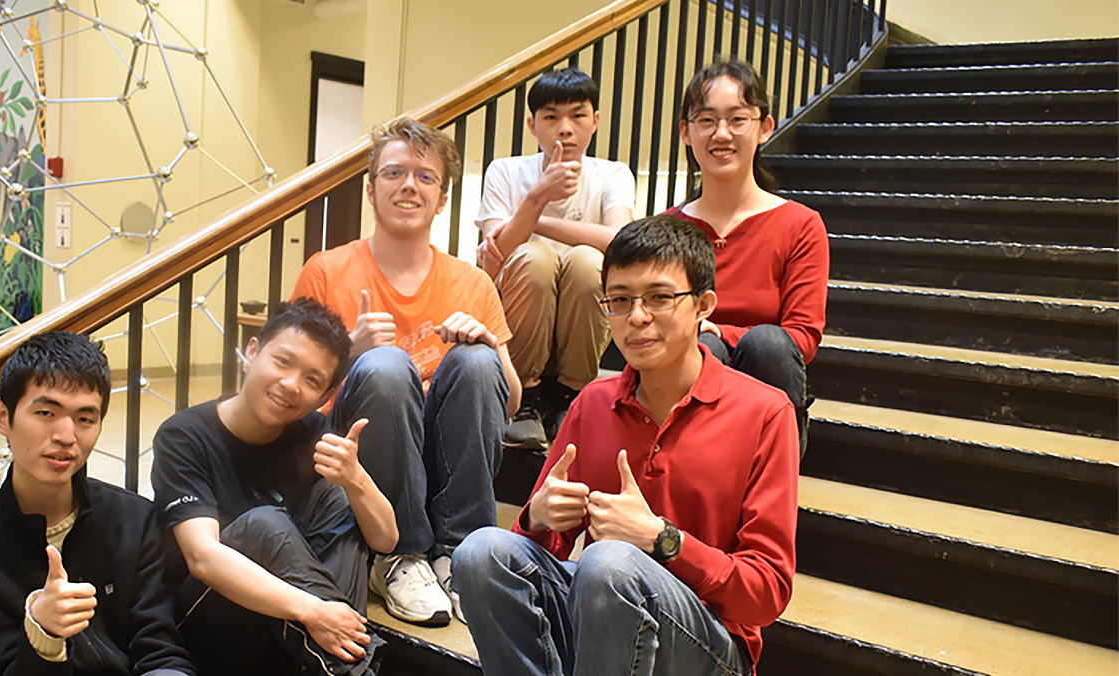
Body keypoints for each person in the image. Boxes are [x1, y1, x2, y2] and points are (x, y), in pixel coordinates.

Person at [453, 216, 799, 676]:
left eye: (659, 297)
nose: (636, 317)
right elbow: (536, 551)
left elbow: (766, 594)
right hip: (606, 625)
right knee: (480, 554)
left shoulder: (765, 412)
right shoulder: (594, 402)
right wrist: (538, 517)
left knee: (609, 563)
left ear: (703, 305)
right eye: (619, 300)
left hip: (712, 643)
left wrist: (664, 540)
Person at [291, 117, 521, 627]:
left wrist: (490, 347)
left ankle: (460, 556)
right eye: (394, 173)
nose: (409, 186)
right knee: (386, 365)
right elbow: (285, 397)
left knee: (479, 361)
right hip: (360, 462)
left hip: (443, 461)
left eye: (426, 176)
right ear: (371, 190)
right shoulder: (325, 270)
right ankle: (401, 557)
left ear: (442, 198)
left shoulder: (473, 282)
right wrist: (349, 354)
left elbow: (510, 405)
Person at [0, 331, 195, 676]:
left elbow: (160, 649)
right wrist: (43, 632)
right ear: (3, 417)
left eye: (85, 419)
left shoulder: (135, 520)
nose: (67, 436)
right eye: (46, 413)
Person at [151, 299, 394, 676]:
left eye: (312, 380)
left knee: (336, 496)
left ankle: (341, 665)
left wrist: (355, 478)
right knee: (263, 525)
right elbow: (202, 557)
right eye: (282, 361)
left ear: (325, 396)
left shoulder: (312, 433)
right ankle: (352, 668)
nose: (290, 385)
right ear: (252, 351)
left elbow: (385, 540)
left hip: (283, 629)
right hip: (204, 623)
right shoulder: (184, 436)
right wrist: (314, 610)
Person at [667, 60, 829, 455]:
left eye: (737, 119)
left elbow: (803, 336)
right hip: (690, 391)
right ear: (686, 132)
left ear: (765, 127)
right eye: (706, 120)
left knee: (767, 343)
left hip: (768, 398)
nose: (722, 134)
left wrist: (722, 332)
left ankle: (768, 470)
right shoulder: (668, 229)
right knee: (703, 351)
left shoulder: (800, 224)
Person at [475, 67, 636, 450]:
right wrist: (537, 195)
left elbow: (617, 241)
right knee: (534, 257)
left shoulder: (613, 174)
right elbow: (494, 261)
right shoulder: (506, 171)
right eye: (551, 117)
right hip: (519, 332)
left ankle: (570, 397)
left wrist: (534, 219)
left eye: (578, 115)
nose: (565, 128)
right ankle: (526, 401)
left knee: (586, 261)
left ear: (595, 121)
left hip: (579, 328)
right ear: (532, 124)